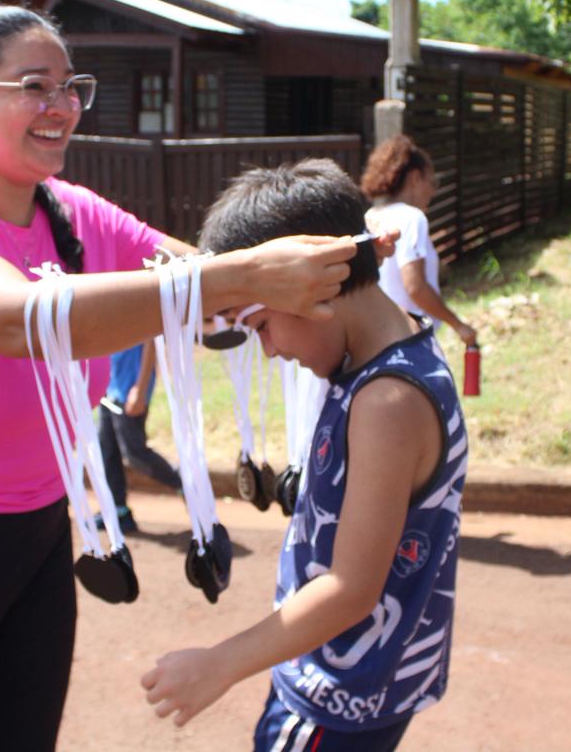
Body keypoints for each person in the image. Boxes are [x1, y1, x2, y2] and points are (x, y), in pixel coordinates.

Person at [0, 4, 357, 751]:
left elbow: (194, 277)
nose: (61, 107)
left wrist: (337, 274)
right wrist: (238, 276)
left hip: (41, 524)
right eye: (33, 86)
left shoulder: (74, 213)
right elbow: (17, 320)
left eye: (70, 87)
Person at [142, 159, 466, 751]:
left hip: (338, 694)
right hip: (365, 681)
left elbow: (350, 589)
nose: (267, 350)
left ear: (313, 288)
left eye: (262, 325)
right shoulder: (390, 352)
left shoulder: (387, 401)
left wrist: (219, 664)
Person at [361, 135, 478, 347]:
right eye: (432, 182)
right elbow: (415, 287)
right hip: (411, 338)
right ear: (415, 178)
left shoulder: (372, 216)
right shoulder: (412, 218)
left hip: (378, 338)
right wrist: (458, 325)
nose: (433, 191)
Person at [97, 339, 180, 533]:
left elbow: (152, 342)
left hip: (130, 388)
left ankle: (184, 482)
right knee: (107, 450)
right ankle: (118, 511)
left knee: (135, 453)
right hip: (110, 386)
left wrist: (140, 390)